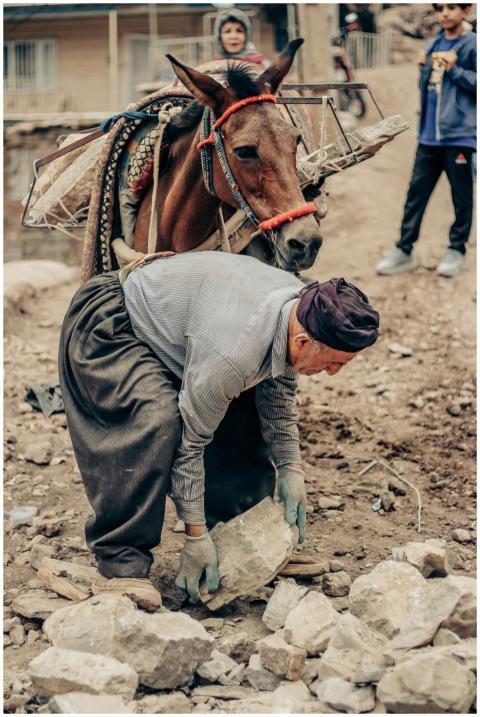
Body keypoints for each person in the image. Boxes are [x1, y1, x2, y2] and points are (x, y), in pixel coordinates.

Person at [58, 252, 380, 610]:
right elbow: (190, 445)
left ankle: (239, 539)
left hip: (186, 327)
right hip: (114, 323)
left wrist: (292, 468)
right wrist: (194, 536)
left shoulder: (300, 308)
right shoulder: (233, 353)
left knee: (245, 404)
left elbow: (279, 395)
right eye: (333, 362)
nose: (334, 373)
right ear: (303, 341)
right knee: (158, 419)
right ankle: (121, 563)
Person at [376, 3, 476, 278]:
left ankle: (456, 251)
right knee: (415, 196)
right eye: (440, 8)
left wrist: (454, 68)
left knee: (462, 199)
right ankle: (403, 251)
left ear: (466, 11)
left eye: (452, 7)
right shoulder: (433, 45)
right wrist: (423, 68)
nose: (445, 13)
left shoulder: (471, 45)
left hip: (460, 138)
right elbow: (429, 87)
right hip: (428, 138)